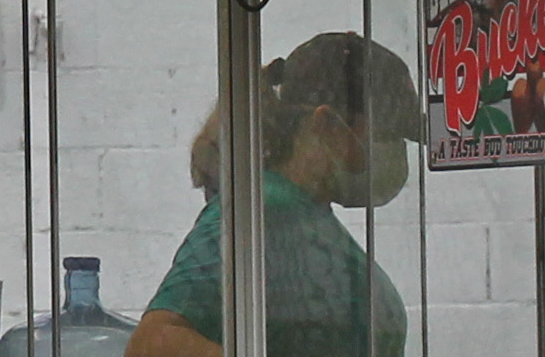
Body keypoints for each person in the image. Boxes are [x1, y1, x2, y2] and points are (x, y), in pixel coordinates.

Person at [126, 32, 421, 357]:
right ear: (329, 125)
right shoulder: (263, 211)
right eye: (389, 135)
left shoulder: (305, 217)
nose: (397, 153)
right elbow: (154, 345)